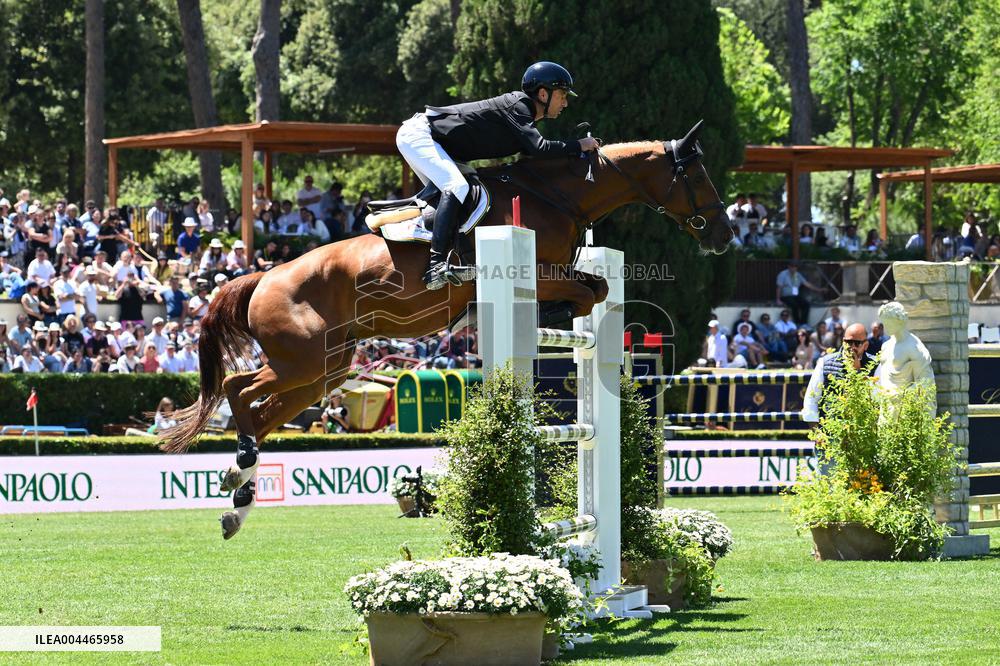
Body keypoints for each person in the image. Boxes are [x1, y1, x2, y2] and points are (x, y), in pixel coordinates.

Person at [396, 61, 598, 289]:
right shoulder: (519, 106)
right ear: (543, 94)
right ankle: (435, 267)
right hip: (420, 135)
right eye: (562, 95)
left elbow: (536, 157)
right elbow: (540, 149)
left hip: (435, 143)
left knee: (464, 195)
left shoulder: (525, 117)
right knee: (457, 187)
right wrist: (579, 145)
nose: (565, 103)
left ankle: (450, 258)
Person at [801, 323, 878, 422]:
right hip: (832, 427)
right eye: (848, 342)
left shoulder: (875, 365)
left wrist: (857, 371)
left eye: (857, 343)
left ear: (865, 345)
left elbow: (876, 399)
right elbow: (811, 399)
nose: (852, 347)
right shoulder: (825, 362)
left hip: (863, 427)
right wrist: (815, 429)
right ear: (843, 342)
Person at [775, 261, 823, 327]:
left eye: (795, 267)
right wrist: (778, 299)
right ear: (789, 267)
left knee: (806, 304)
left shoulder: (798, 275)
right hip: (786, 296)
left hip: (795, 296)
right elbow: (779, 287)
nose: (794, 268)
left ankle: (803, 323)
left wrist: (819, 290)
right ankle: (797, 323)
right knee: (794, 305)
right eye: (792, 267)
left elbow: (806, 284)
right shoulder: (782, 274)